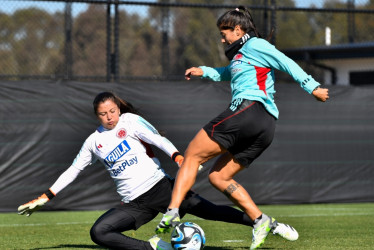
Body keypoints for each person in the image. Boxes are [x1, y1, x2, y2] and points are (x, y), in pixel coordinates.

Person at [18, 91, 292, 250]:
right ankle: (153, 247)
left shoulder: (131, 121)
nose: (110, 116)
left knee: (213, 212)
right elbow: (73, 170)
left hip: (162, 188)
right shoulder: (93, 142)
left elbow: (158, 140)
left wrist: (177, 156)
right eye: (103, 114)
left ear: (118, 108)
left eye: (112, 111)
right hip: (135, 203)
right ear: (96, 116)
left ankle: (266, 223)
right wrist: (47, 196)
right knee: (99, 232)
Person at [156, 6, 329, 250]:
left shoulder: (256, 45)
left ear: (238, 30)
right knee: (218, 176)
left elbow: (286, 62)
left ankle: (172, 212)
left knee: (193, 155)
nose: (222, 37)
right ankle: (261, 221)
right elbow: (229, 73)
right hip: (264, 127)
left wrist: (312, 87)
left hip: (249, 111)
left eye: (224, 32)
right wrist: (203, 71)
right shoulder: (241, 55)